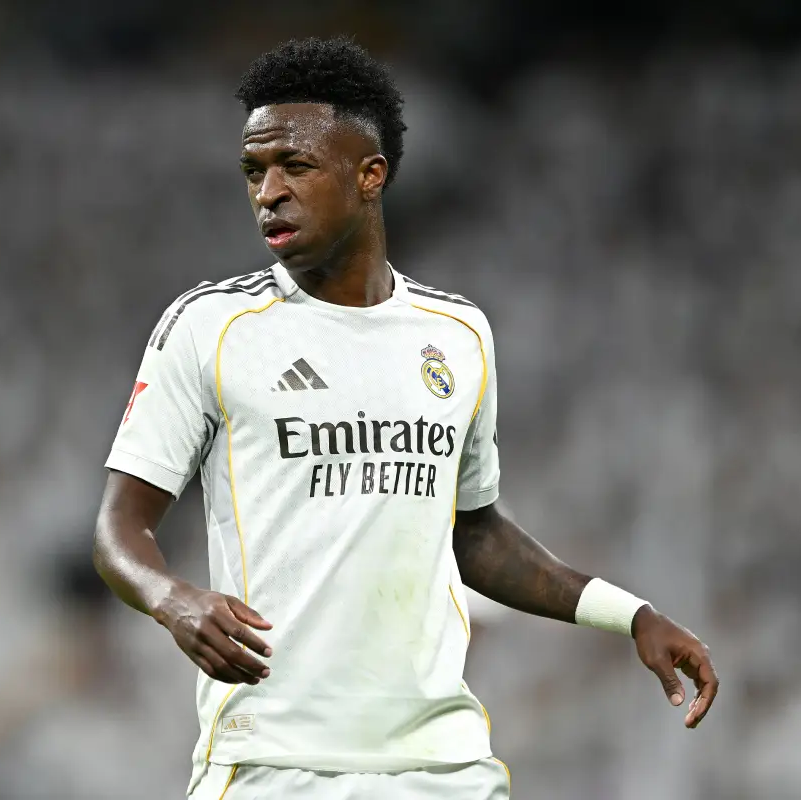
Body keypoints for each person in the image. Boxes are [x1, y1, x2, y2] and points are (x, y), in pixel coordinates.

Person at [93, 36, 719, 799]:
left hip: (443, 769)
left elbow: (476, 532)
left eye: (296, 166)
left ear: (370, 176)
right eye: (255, 171)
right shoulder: (209, 327)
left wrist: (631, 615)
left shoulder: (457, 334)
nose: (268, 192)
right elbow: (120, 530)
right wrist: (172, 598)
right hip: (276, 766)